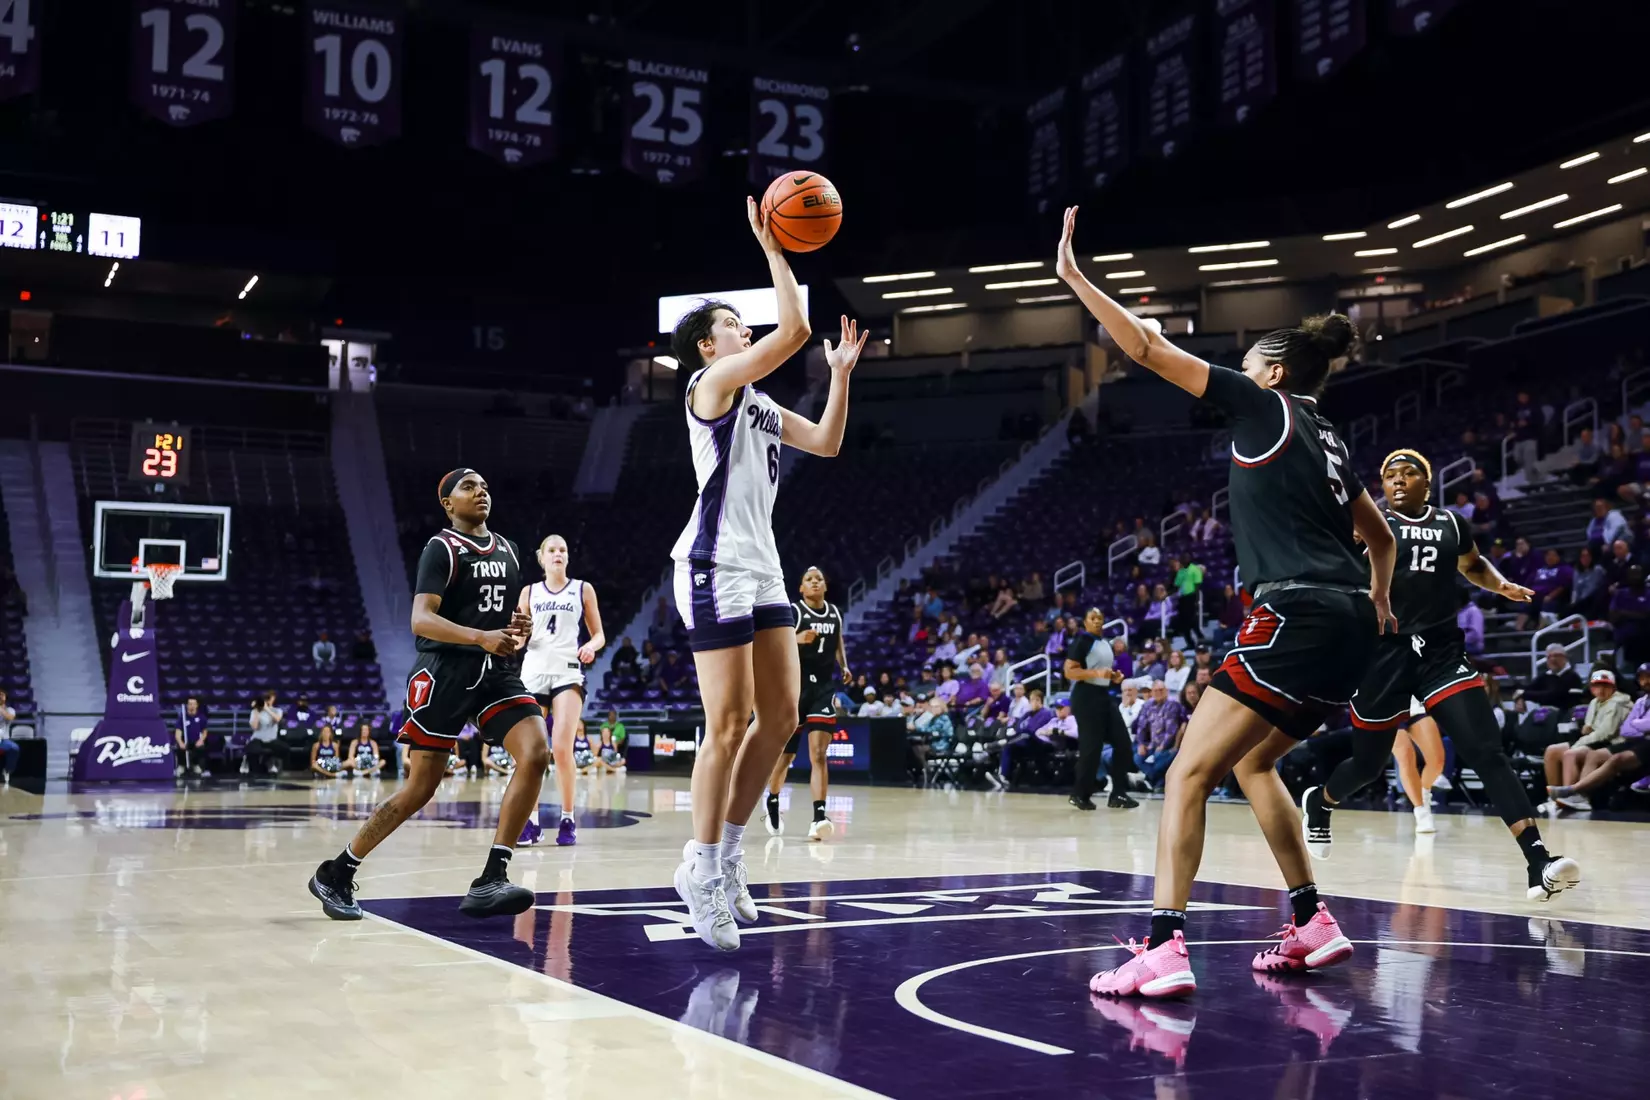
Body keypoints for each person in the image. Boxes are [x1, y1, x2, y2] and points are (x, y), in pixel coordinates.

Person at [1057, 206, 1396, 999]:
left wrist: (1076, 278)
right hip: (1347, 623)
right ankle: (1312, 922)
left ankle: (1164, 946)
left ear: (1273, 372)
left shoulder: (1260, 405)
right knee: (1253, 761)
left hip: (1295, 612)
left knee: (1184, 774)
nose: (1239, 366)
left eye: (1249, 359)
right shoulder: (1334, 439)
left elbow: (1143, 346)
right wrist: (1378, 600)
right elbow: (1378, 537)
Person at [666, 201, 867, 953]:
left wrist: (839, 377)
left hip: (764, 566)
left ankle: (728, 853)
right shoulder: (711, 389)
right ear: (704, 346)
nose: (739, 329)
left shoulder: (758, 402)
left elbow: (828, 441)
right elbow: (792, 331)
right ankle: (701, 866)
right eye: (728, 324)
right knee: (726, 724)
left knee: (779, 720)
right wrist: (774, 249)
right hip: (713, 563)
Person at [1304, 449, 1577, 900]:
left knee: (1486, 751)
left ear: (1426, 484)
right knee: (1369, 766)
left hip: (1441, 654)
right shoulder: (1368, 522)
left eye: (1408, 473)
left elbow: (1471, 565)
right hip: (1382, 655)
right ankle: (1323, 800)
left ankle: (1538, 862)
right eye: (1390, 474)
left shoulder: (1451, 524)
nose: (1398, 480)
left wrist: (1499, 583)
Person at [307, 468, 547, 922]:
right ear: (447, 502)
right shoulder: (441, 548)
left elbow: (507, 615)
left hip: (494, 672)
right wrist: (480, 636)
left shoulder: (510, 550)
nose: (482, 491)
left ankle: (492, 876)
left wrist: (521, 629)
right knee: (420, 789)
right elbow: (421, 619)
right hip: (443, 675)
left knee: (536, 751)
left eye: (485, 485)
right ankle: (337, 871)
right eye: (469, 486)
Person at [515, 534, 606, 848]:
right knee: (532, 753)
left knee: (563, 748)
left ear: (567, 557)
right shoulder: (529, 592)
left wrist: (591, 647)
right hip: (534, 672)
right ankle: (532, 821)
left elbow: (599, 635)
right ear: (542, 558)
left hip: (567, 670)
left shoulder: (582, 589)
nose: (558, 554)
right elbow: (518, 638)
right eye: (552, 550)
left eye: (563, 550)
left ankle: (568, 818)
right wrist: (511, 639)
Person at [764, 567, 850, 840]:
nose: (814, 582)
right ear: (801, 588)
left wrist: (844, 666)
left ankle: (818, 817)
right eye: (808, 580)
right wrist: (796, 639)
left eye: (819, 579)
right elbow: (774, 644)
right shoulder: (794, 610)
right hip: (794, 689)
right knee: (786, 756)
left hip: (823, 690)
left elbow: (838, 641)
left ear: (825, 586)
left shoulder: (834, 613)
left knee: (819, 755)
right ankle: (773, 799)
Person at [1545, 663, 1650, 808]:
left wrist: (1581, 741)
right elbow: (1625, 729)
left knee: (1570, 754)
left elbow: (1606, 733)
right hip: (1604, 740)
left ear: (1613, 687)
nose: (1600, 690)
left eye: (1605, 686)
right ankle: (1556, 798)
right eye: (1596, 686)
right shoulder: (1595, 702)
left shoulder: (1618, 703)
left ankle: (1573, 797)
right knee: (1552, 751)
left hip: (1611, 742)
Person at [1064, 608, 1136, 810]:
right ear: (1085, 622)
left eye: (1100, 619)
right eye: (1092, 618)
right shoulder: (1082, 641)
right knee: (1091, 748)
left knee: (1123, 742)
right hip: (1085, 697)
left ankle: (1118, 793)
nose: (1097, 622)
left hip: (1103, 695)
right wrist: (1096, 672)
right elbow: (1069, 671)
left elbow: (1101, 672)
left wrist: (1112, 676)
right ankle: (1080, 794)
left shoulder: (1105, 643)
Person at [1134, 680, 1187, 792]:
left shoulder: (1173, 705)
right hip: (1151, 745)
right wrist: (1141, 744)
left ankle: (1150, 781)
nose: (1158, 693)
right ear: (1152, 692)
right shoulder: (1147, 705)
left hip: (1170, 746)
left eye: (1161, 690)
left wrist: (1162, 746)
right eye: (1155, 691)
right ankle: (1156, 782)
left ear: (1166, 691)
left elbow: (1171, 730)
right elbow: (1141, 727)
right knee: (1137, 757)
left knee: (1159, 759)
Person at [244, 691, 283, 776]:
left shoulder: (277, 710)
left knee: (282, 748)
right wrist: (257, 710)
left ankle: (271, 764)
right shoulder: (255, 712)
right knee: (251, 748)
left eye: (270, 698)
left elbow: (277, 719)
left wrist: (266, 709)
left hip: (271, 739)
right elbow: (254, 727)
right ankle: (250, 767)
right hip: (258, 738)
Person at [172, 697, 208, 778]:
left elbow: (204, 732)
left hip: (196, 741)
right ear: (187, 706)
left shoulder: (201, 717)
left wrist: (201, 740)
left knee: (201, 747)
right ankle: (181, 766)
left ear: (197, 705)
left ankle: (196, 765)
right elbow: (177, 733)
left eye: (193, 704)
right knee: (179, 747)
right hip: (185, 741)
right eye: (190, 704)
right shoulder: (182, 718)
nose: (192, 706)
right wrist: (180, 742)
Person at [0, 689, 18, 784]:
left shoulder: (10, 710)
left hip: (4, 740)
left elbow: (10, 717)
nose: (0, 696)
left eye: (2, 694)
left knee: (14, 748)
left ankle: (7, 771)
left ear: (6, 697)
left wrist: (1, 709)